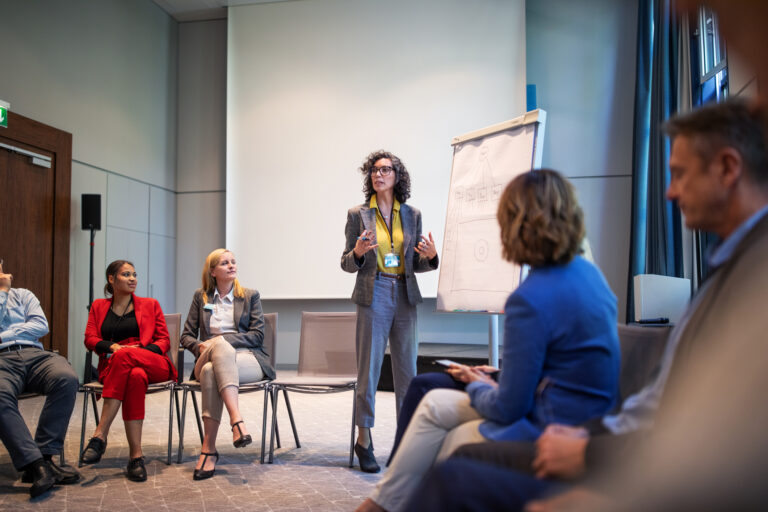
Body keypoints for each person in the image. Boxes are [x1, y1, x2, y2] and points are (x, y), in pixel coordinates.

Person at [405, 100, 768, 512]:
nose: (669, 191)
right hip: (604, 434)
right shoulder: (720, 269)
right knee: (445, 433)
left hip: (626, 460)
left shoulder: (752, 281)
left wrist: (593, 458)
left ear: (727, 168)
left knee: (454, 468)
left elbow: (713, 439)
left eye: (680, 173)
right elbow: (655, 405)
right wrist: (593, 439)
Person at [356, 169, 621, 512]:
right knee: (434, 404)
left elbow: (511, 406)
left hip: (556, 421)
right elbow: (562, 361)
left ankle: (384, 503)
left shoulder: (532, 297)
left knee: (449, 432)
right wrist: (495, 377)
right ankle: (385, 500)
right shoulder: (590, 275)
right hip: (584, 411)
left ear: (517, 225)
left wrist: (482, 384)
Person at [341, 150, 439, 473]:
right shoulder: (358, 214)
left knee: (408, 372)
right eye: (373, 170)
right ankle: (364, 440)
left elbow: (415, 263)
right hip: (374, 291)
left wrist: (432, 257)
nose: (378, 174)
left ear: (397, 175)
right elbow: (346, 262)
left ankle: (407, 442)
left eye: (385, 169)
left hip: (405, 294)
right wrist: (356, 252)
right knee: (368, 369)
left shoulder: (412, 214)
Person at [180, 248, 276, 480]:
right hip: (207, 354)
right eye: (224, 263)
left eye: (233, 262)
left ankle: (208, 450)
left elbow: (257, 336)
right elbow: (186, 337)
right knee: (216, 355)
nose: (232, 265)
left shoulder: (250, 295)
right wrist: (202, 346)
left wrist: (221, 341)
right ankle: (237, 421)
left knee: (212, 369)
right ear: (213, 271)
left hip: (247, 359)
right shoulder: (200, 297)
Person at [80, 260, 177, 482]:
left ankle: (100, 435)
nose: (133, 278)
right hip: (114, 366)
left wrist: (139, 353)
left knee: (127, 358)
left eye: (134, 274)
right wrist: (112, 347)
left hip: (152, 362)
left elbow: (164, 340)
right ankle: (136, 457)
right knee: (134, 376)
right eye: (126, 275)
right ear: (111, 279)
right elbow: (90, 339)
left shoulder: (150, 304)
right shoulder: (98, 306)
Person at [0, 262, 80, 498]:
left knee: (66, 378)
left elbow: (40, 326)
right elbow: (30, 326)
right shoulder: (8, 293)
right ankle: (34, 466)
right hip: (1, 361)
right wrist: (2, 293)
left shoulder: (24, 295)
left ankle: (45, 455)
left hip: (35, 353)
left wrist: (4, 334)